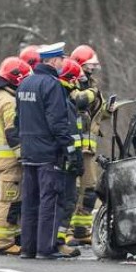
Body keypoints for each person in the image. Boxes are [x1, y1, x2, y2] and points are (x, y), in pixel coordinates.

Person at [16, 42, 83, 259]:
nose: (63, 63)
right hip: (48, 154)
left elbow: (18, 121)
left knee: (30, 201)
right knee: (49, 201)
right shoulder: (52, 85)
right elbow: (58, 123)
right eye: (61, 59)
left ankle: (28, 248)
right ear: (53, 61)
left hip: (28, 153)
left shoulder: (25, 84)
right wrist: (70, 150)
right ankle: (45, 248)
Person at [0, 56, 32, 256]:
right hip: (10, 162)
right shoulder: (9, 102)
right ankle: (3, 242)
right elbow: (13, 133)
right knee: (9, 202)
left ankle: (14, 237)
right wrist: (23, 156)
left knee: (14, 201)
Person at [67, 45, 109, 246]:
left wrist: (108, 109)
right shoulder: (70, 80)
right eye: (89, 65)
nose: (92, 69)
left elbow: (95, 112)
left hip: (88, 149)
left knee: (89, 190)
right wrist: (91, 92)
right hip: (74, 147)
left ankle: (81, 230)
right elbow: (79, 101)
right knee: (72, 192)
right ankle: (65, 232)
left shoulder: (91, 83)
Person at [55, 59, 84, 256]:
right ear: (72, 80)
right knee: (66, 200)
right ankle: (58, 242)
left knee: (66, 200)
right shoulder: (64, 101)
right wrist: (74, 159)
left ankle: (58, 240)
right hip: (66, 160)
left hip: (64, 158)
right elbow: (69, 133)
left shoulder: (63, 99)